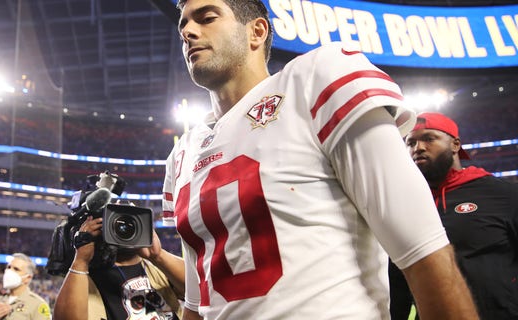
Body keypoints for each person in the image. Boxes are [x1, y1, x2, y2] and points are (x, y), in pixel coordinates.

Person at [163, 0, 479, 319]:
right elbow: (197, 303)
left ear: (256, 32)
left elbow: (422, 249)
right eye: (183, 25)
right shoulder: (182, 154)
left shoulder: (314, 78)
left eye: (206, 18)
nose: (188, 31)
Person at [390, 112, 518, 319]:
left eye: (429, 139)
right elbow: (397, 281)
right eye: (410, 143)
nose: (418, 148)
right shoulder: (405, 204)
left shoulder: (502, 194)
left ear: (455, 145)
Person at [53, 222, 185, 320]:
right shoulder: (84, 279)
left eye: (131, 221)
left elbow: (201, 290)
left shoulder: (158, 268)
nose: (124, 228)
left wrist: (158, 256)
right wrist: (81, 260)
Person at [0, 253, 51, 320]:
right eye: (9, 267)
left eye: (16, 269)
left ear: (28, 278)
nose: (9, 271)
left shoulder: (37, 304)